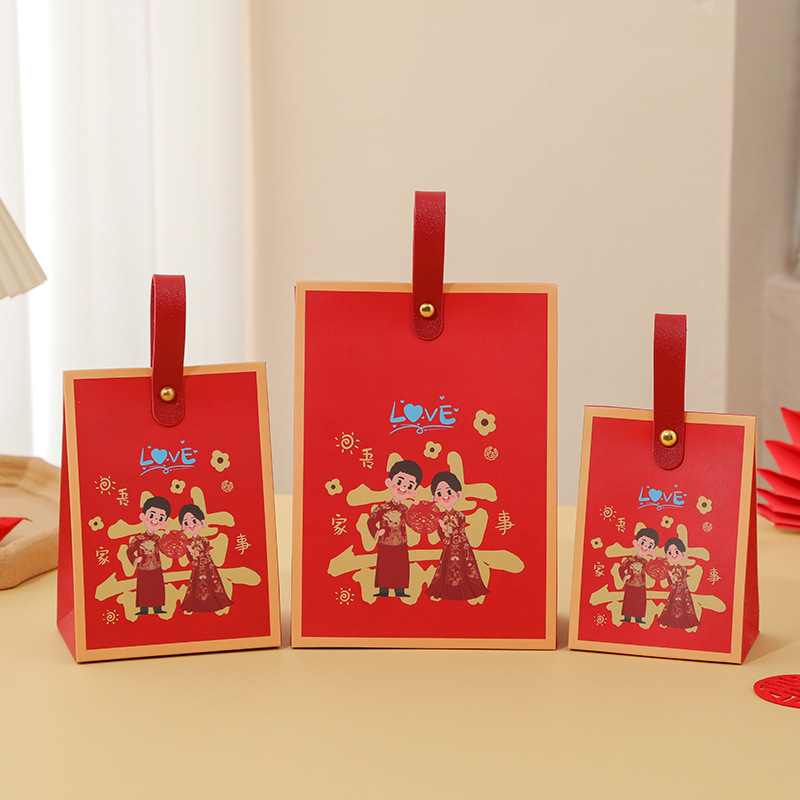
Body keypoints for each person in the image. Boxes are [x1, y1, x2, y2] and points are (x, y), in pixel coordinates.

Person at [425, 471, 488, 602]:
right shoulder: (440, 516)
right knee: (446, 570)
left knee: (465, 570)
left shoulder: (460, 515)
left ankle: (464, 592)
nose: (445, 496)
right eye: (439, 493)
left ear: (458, 495)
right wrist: (444, 535)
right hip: (449, 546)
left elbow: (459, 529)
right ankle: (448, 592)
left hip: (461, 546)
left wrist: (446, 528)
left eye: (449, 492)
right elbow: (440, 533)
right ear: (434, 497)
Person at [367, 459, 422, 598]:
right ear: (389, 482)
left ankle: (400, 591)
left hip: (401, 542)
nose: (403, 487)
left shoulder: (405, 509)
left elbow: (412, 523)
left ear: (413, 491)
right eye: (399, 482)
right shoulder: (382, 507)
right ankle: (383, 590)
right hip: (385, 541)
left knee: (400, 566)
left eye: (409, 485)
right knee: (384, 565)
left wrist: (417, 509)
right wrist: (377, 532)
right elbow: (371, 521)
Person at [179, 503, 232, 614]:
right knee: (196, 587)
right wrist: (191, 554)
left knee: (211, 585)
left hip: (207, 566)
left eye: (194, 521)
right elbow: (189, 557)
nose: (190, 525)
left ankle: (211, 604)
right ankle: (198, 605)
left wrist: (193, 552)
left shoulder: (204, 540)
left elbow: (204, 551)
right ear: (182, 526)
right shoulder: (188, 542)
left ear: (202, 523)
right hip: (197, 567)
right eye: (186, 523)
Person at [127, 496, 170, 616]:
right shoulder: (139, 538)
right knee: (144, 588)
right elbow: (129, 551)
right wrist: (136, 559)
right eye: (151, 515)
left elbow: (165, 550)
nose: (155, 519)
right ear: (143, 516)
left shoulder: (158, 538)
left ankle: (158, 608)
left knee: (157, 588)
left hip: (156, 567)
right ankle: (143, 609)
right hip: (143, 568)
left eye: (160, 518)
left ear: (164, 522)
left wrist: (167, 537)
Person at [657, 537, 700, 630]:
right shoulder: (670, 568)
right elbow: (669, 580)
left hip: (682, 590)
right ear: (666, 555)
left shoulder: (683, 569)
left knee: (683, 606)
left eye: (676, 552)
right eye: (670, 552)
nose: (673, 554)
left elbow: (681, 578)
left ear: (683, 554)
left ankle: (683, 622)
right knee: (672, 606)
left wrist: (672, 577)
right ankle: (672, 621)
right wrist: (671, 580)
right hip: (674, 590)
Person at [619, 527, 659, 623]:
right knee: (629, 601)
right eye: (643, 542)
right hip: (630, 584)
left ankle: (639, 618)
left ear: (652, 550)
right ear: (635, 542)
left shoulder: (646, 562)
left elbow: (651, 572)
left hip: (641, 585)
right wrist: (625, 576)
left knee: (640, 603)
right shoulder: (629, 560)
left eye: (649, 546)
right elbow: (621, 569)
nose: (645, 547)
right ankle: (627, 617)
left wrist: (654, 563)